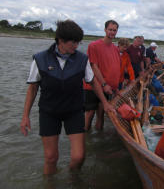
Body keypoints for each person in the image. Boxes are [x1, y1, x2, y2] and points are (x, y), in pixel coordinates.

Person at [20, 20, 115, 175]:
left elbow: (93, 82)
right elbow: (32, 88)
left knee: (79, 157)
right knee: (51, 157)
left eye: (78, 42)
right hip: (49, 112)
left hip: (74, 111)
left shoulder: (81, 59)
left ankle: (72, 179)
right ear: (60, 41)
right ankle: (50, 184)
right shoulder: (40, 59)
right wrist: (25, 116)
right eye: (73, 42)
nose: (76, 46)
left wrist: (105, 103)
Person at [83, 20, 121, 131]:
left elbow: (116, 68)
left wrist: (116, 87)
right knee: (89, 114)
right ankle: (85, 138)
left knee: (101, 113)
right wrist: (104, 84)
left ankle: (98, 137)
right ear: (105, 30)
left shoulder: (115, 49)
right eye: (110, 29)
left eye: (114, 30)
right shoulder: (94, 46)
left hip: (108, 88)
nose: (112, 32)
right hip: (93, 87)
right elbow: (94, 66)